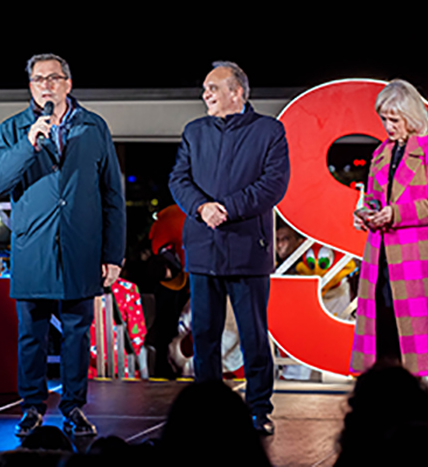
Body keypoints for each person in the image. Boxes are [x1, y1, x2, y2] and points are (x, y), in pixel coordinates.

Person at [0, 53, 125, 438]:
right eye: (38, 79)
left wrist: (113, 254)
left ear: (69, 83)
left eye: (54, 77)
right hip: (33, 248)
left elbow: (112, 193)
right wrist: (28, 144)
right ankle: (31, 407)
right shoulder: (13, 129)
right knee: (31, 333)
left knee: (78, 333)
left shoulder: (94, 126)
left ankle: (74, 407)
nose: (46, 84)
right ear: (30, 86)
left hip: (81, 249)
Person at [168, 61, 290, 435]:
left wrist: (229, 208)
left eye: (213, 87)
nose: (205, 94)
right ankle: (207, 410)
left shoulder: (269, 131)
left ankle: (258, 410)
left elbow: (274, 184)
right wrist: (203, 208)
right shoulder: (194, 131)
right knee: (204, 334)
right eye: (205, 88)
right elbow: (178, 178)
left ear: (237, 92)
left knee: (254, 334)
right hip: (204, 247)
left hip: (246, 248)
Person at [350, 79, 428, 440]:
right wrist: (365, 213)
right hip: (381, 255)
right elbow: (373, 199)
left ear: (411, 116)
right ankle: (387, 407)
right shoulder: (382, 152)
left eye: (394, 119)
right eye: (384, 119)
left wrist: (396, 213)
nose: (388, 126)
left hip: (417, 257)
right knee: (385, 329)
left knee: (427, 335)